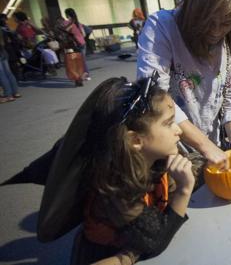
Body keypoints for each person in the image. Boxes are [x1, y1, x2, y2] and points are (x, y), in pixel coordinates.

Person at [60, 75, 196, 264]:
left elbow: (196, 168)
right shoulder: (116, 186)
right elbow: (155, 241)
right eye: (168, 123)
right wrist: (184, 189)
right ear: (136, 141)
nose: (178, 130)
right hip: (108, 255)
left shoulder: (158, 159)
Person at [137, 0, 231, 171]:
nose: (216, 31)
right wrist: (205, 146)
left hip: (213, 146)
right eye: (209, 22)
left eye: (226, 23)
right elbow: (155, 97)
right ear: (193, 11)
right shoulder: (162, 27)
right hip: (169, 153)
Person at [63, 8, 90, 80]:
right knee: (83, 60)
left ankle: (82, 76)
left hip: (75, 44)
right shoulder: (78, 23)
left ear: (67, 14)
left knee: (77, 61)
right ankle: (86, 75)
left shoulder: (66, 23)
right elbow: (84, 34)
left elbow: (65, 31)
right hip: (83, 43)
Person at [0, 28, 21, 103]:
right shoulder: (2, 29)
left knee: (2, 75)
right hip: (3, 51)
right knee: (8, 73)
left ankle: (8, 95)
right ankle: (15, 92)